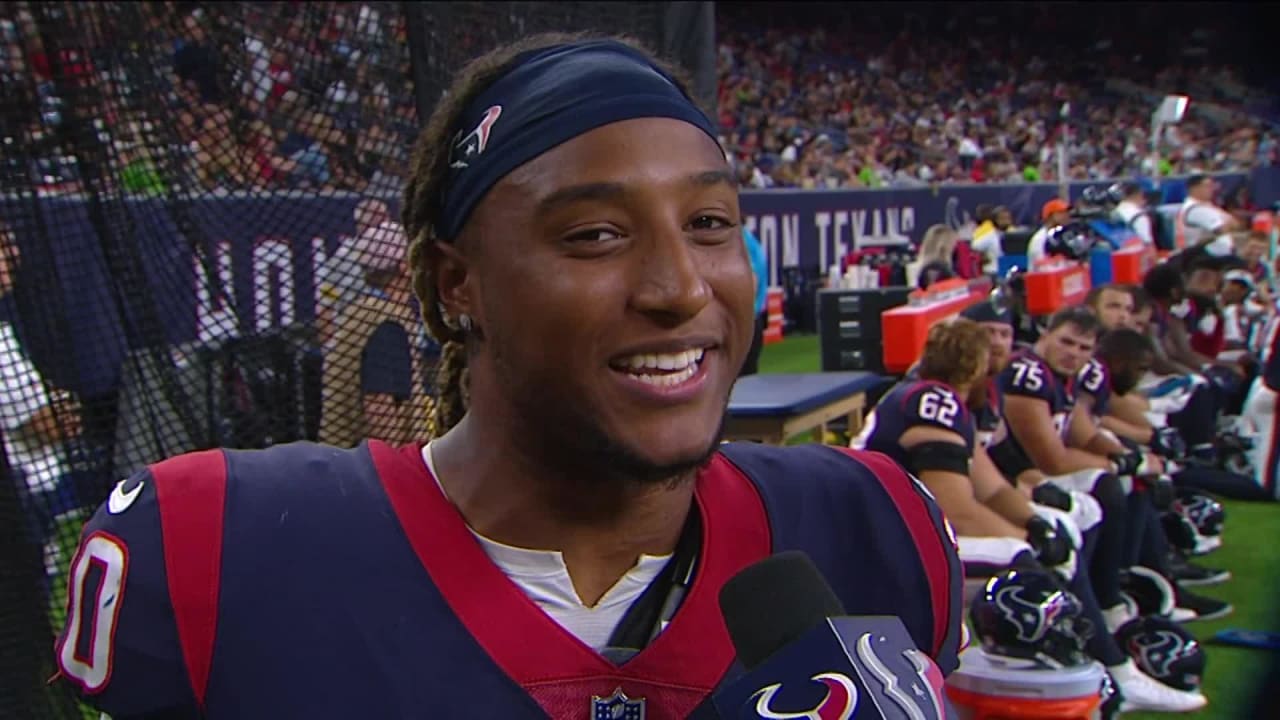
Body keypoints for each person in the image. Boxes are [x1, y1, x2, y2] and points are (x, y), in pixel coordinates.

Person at [54, 34, 963, 718]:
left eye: (711, 223)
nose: (680, 286)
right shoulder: (217, 548)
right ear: (459, 285)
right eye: (595, 235)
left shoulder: (879, 529)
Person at [319, 220, 433, 447]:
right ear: (404, 267)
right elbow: (379, 406)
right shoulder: (387, 322)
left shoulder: (361, 312)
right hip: (368, 472)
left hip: (346, 463)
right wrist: (396, 468)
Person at [738, 226, 767, 376]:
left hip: (745, 323)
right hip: (753, 321)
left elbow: (751, 281)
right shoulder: (749, 238)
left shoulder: (739, 239)